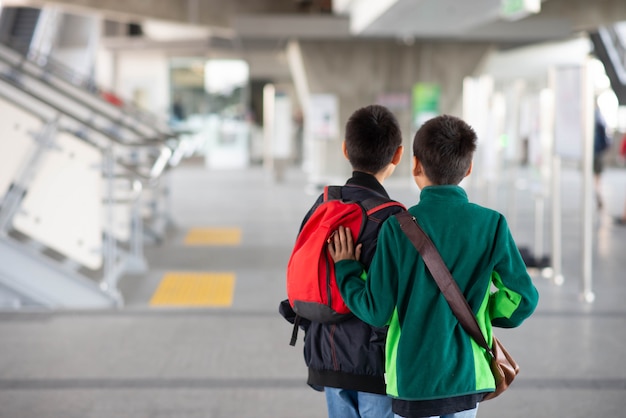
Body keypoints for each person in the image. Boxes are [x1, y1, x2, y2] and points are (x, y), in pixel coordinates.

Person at [328, 114, 539, 418]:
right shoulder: (491, 224)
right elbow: (523, 299)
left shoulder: (396, 228)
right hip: (468, 376)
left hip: (412, 380)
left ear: (415, 165)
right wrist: (482, 309)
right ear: (468, 168)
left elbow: (377, 310)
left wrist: (346, 269)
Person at [279, 104, 405, 418]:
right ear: (398, 155)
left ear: (345, 149)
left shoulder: (324, 203)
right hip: (375, 364)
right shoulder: (392, 218)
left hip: (326, 353)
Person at [593, 106, 611, 209]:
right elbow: (606, 134)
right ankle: (597, 192)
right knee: (597, 177)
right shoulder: (599, 117)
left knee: (593, 176)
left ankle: (596, 192)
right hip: (597, 151)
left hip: (589, 151)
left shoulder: (587, 116)